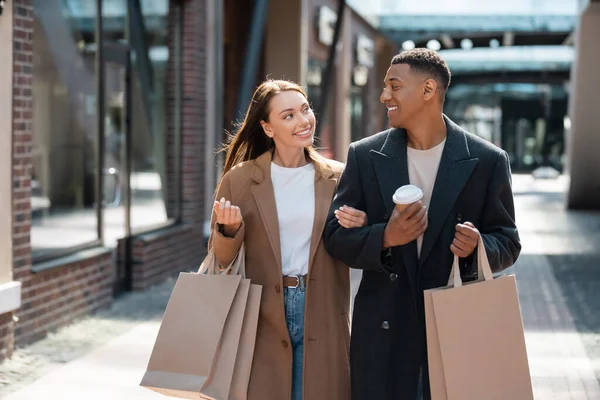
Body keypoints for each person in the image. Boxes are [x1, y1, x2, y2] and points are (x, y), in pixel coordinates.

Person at [323, 48, 521, 400]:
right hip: (383, 332)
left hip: (455, 328)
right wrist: (385, 236)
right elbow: (335, 238)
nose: (385, 96)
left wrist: (479, 247)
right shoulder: (365, 155)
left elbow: (507, 240)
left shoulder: (488, 160)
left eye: (394, 86)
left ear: (428, 90)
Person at [210, 79, 367, 400]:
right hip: (261, 312)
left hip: (322, 309)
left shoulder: (339, 177)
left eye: (305, 109)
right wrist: (229, 230)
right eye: (288, 115)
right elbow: (220, 260)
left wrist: (361, 224)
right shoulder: (240, 180)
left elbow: (357, 249)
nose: (303, 120)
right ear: (267, 128)